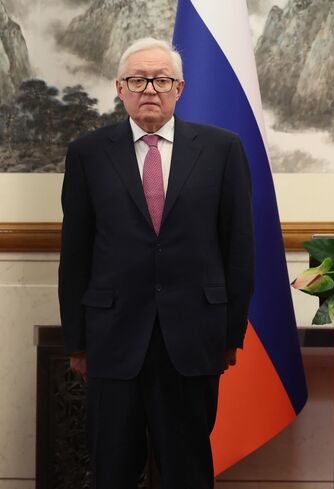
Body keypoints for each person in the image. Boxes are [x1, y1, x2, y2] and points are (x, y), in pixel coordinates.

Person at [58, 38, 254, 488]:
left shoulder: (222, 150)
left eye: (161, 80)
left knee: (187, 469)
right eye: (137, 80)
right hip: (111, 338)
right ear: (119, 88)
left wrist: (230, 334)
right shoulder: (88, 153)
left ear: (179, 89)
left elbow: (238, 248)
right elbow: (76, 253)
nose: (150, 88)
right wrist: (77, 341)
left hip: (193, 339)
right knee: (112, 468)